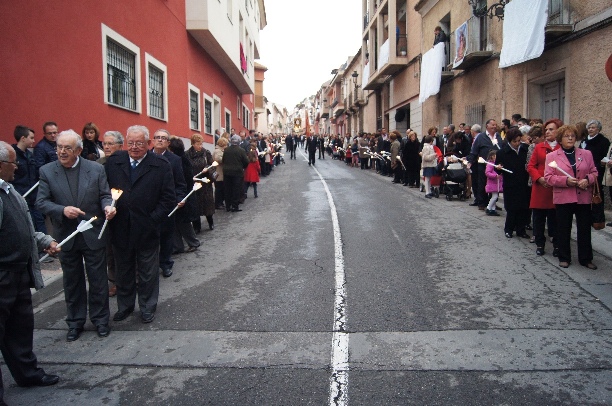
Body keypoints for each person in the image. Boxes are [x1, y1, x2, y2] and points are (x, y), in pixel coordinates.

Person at [36, 130, 115, 341]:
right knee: (72, 282)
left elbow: (105, 195)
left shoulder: (96, 169)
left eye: (67, 148)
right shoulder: (47, 171)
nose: (62, 151)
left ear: (78, 150)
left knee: (98, 281)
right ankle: (75, 322)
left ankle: (100, 320)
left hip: (92, 232)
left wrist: (108, 207)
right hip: (66, 235)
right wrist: (62, 210)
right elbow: (41, 202)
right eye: (59, 147)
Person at [0, 141, 61, 403]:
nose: (17, 168)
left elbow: (24, 227)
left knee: (20, 327)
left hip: (18, 273)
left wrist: (43, 240)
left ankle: (27, 373)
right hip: (2, 274)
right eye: (13, 163)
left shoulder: (9, 190)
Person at [105, 125, 176, 324]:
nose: (135, 147)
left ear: (148, 143)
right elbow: (105, 190)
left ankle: (147, 306)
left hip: (147, 228)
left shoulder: (160, 165)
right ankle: (125, 307)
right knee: (124, 271)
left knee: (148, 272)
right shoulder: (114, 162)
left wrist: (153, 219)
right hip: (120, 227)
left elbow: (168, 199)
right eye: (131, 143)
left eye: (139, 143)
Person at [544, 125, 599, 269]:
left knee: (584, 229)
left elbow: (595, 172)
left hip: (583, 197)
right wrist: (565, 181)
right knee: (563, 228)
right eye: (566, 136)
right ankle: (564, 257)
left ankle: (586, 258)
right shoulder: (552, 156)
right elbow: (549, 177)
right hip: (564, 197)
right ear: (560, 139)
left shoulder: (586, 153)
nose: (570, 138)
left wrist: (587, 179)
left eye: (572, 136)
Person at [152, 129, 187, 278]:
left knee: (166, 236)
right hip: (149, 204)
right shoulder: (146, 156)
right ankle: (150, 265)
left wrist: (180, 198)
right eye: (157, 137)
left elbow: (180, 183)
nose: (160, 140)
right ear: (153, 140)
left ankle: (166, 263)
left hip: (168, 204)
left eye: (163, 138)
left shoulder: (174, 160)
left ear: (168, 143)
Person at [527, 119, 562, 256]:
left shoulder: (562, 148)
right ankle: (540, 244)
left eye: (551, 129)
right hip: (540, 187)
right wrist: (539, 178)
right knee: (539, 219)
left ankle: (557, 245)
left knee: (555, 219)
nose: (547, 132)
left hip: (556, 187)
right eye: (546, 130)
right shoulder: (539, 147)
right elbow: (531, 166)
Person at [97, 131, 124, 297]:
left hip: (123, 211)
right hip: (105, 212)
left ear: (120, 146)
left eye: (110, 144)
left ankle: (130, 277)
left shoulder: (126, 163)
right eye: (104, 144)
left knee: (124, 248)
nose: (106, 147)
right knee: (109, 250)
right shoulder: (99, 164)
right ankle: (114, 281)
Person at [11, 126, 48, 238]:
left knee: (40, 224)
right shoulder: (13, 156)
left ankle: (46, 248)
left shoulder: (30, 155)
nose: (33, 140)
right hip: (21, 197)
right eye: (31, 138)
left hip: (34, 198)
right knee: (29, 226)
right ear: (23, 138)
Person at [495, 128, 530, 239]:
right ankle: (509, 229)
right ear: (510, 141)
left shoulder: (525, 150)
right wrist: (499, 168)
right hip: (510, 183)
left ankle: (521, 229)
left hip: (523, 183)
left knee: (523, 207)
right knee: (511, 208)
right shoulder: (502, 152)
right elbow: (497, 168)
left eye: (519, 141)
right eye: (514, 141)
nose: (517, 143)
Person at [168, 137, 200, 254]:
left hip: (183, 195)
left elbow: (185, 179)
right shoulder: (182, 159)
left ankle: (193, 242)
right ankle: (177, 246)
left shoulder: (180, 160)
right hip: (181, 194)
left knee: (183, 222)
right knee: (176, 222)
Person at [468, 119, 503, 210]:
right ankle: (482, 202)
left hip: (495, 165)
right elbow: (474, 150)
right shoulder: (481, 137)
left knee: (495, 183)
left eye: (495, 125)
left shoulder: (498, 136)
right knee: (482, 183)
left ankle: (492, 203)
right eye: (492, 125)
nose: (494, 126)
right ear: (487, 126)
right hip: (483, 164)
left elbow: (502, 149)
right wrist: (470, 162)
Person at [186, 134, 215, 231]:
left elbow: (212, 165)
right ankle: (196, 227)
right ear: (193, 144)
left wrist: (208, 169)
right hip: (194, 182)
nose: (200, 146)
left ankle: (210, 222)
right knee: (195, 205)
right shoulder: (187, 155)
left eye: (201, 144)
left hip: (205, 182)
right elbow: (186, 168)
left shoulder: (206, 153)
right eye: (198, 144)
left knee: (208, 204)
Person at [222, 135, 249, 212]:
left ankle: (228, 206)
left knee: (228, 189)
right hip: (237, 172)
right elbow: (246, 161)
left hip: (227, 172)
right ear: (239, 142)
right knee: (236, 189)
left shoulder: (226, 150)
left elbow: (223, 160)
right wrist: (243, 167)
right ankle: (235, 206)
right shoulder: (241, 150)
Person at [485, 150, 502, 216]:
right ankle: (489, 208)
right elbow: (487, 173)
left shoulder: (496, 164)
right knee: (495, 196)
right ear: (492, 156)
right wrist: (495, 176)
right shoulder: (490, 164)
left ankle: (493, 209)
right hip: (493, 183)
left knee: (495, 196)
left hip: (496, 183)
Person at [213, 137, 228, 209]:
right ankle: (218, 203)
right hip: (219, 172)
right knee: (219, 189)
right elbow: (218, 159)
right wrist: (226, 158)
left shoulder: (220, 150)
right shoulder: (218, 151)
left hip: (220, 172)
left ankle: (220, 202)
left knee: (221, 188)